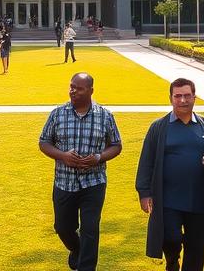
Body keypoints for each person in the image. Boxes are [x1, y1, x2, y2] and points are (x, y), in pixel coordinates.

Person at [137, 78, 204, 271]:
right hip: (168, 200)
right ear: (171, 98)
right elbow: (146, 161)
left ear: (194, 97)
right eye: (178, 96)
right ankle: (172, 261)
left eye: (187, 95)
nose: (182, 100)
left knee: (196, 248)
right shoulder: (159, 127)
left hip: (199, 199)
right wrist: (144, 193)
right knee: (170, 238)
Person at [39, 72, 123, 271]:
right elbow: (44, 142)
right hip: (64, 182)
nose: (73, 91)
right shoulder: (58, 113)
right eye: (71, 86)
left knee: (90, 229)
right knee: (63, 228)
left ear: (91, 91)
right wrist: (62, 155)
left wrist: (98, 158)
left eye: (79, 88)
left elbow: (116, 145)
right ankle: (76, 249)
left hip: (93, 183)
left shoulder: (105, 116)